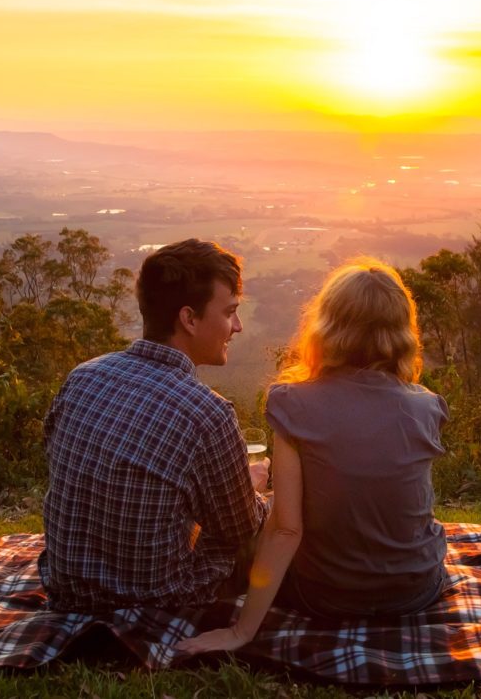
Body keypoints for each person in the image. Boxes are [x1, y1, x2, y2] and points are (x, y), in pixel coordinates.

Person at [177, 257, 449, 654]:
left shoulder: (292, 404)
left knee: (262, 517)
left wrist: (241, 631)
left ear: (326, 326)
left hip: (325, 597)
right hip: (414, 591)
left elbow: (287, 530)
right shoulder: (428, 407)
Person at [40, 239, 270, 612]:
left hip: (67, 588)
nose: (238, 326)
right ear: (189, 319)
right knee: (274, 521)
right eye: (229, 312)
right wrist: (253, 489)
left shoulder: (83, 376)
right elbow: (239, 529)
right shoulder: (207, 413)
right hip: (154, 601)